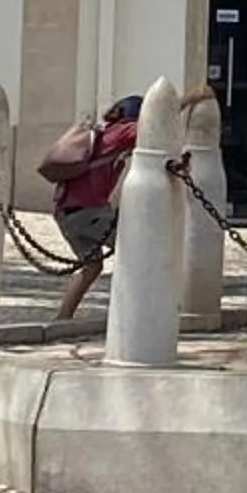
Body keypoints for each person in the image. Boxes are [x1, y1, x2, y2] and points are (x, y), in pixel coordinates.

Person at [43, 94, 143, 324]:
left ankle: (62, 318)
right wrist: (190, 98)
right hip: (90, 212)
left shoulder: (102, 135)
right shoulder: (121, 133)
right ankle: (133, 315)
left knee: (92, 266)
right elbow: (155, 121)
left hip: (66, 213)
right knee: (138, 251)